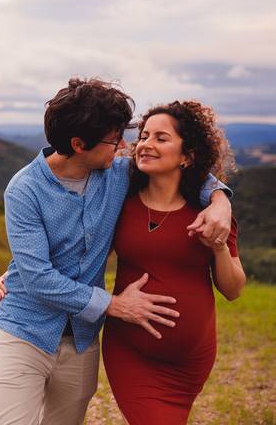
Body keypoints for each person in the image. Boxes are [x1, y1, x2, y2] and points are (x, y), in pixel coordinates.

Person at [0, 78, 232, 425]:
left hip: (82, 339)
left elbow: (182, 168)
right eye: (114, 138)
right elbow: (39, 277)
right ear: (78, 144)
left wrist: (221, 199)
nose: (124, 146)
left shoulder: (119, 173)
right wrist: (115, 305)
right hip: (24, 331)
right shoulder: (24, 189)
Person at [101, 100, 246, 424]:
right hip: (129, 351)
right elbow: (79, 248)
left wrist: (219, 246)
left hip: (189, 361)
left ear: (187, 156)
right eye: (144, 136)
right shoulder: (119, 204)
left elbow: (233, 289)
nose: (145, 145)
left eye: (161, 138)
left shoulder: (212, 215)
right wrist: (17, 272)